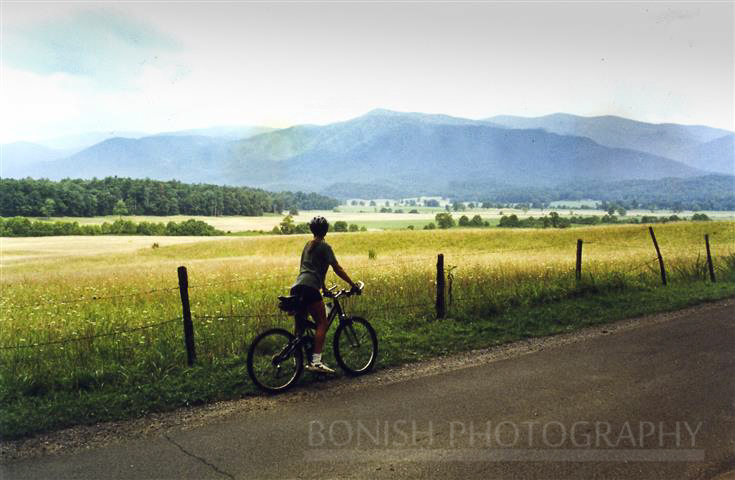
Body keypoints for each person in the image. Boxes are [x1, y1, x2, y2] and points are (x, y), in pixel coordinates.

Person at [290, 216, 358, 374]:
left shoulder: (307, 245)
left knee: (301, 326)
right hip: (310, 288)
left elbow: (310, 270)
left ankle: (297, 359)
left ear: (311, 230)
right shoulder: (324, 247)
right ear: (326, 230)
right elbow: (337, 268)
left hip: (297, 286)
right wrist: (352, 284)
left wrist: (325, 289)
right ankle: (316, 362)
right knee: (322, 323)